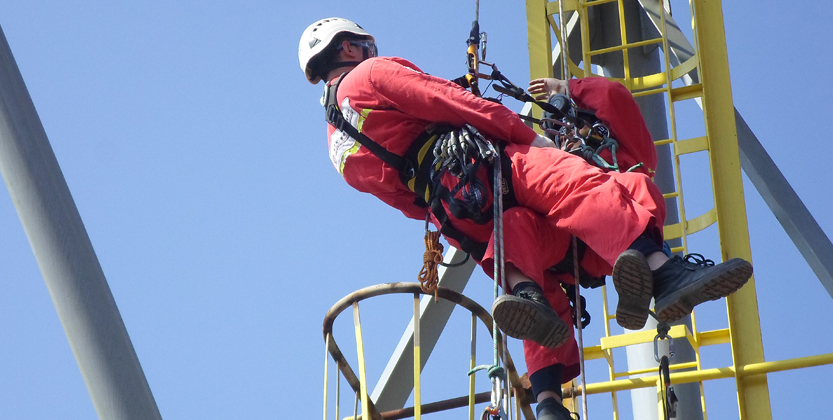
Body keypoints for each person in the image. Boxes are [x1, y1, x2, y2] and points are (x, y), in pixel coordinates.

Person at [299, 17, 753, 420]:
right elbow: (447, 100)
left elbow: (406, 202)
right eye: (365, 45)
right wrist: (529, 137)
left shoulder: (338, 149)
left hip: (459, 210)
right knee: (579, 183)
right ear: (348, 47)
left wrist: (461, 225)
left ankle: (548, 399)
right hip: (491, 171)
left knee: (524, 263)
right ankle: (661, 272)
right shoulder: (370, 74)